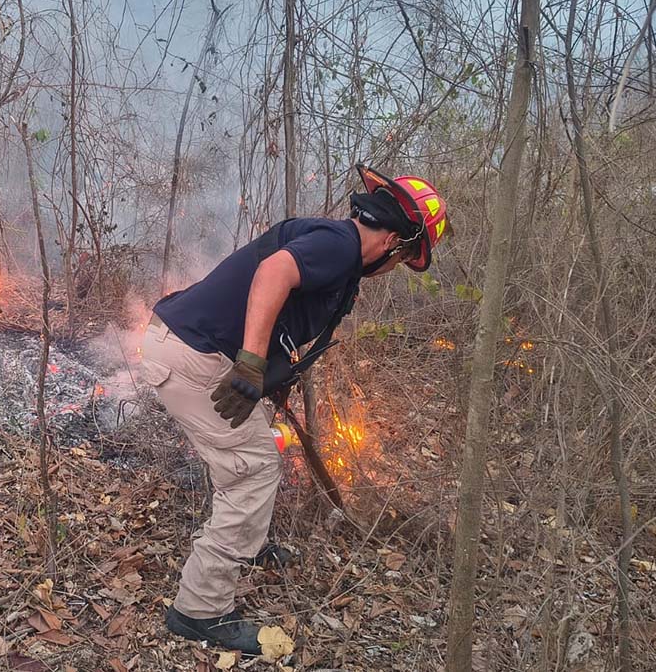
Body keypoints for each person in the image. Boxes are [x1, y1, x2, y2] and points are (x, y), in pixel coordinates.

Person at [140, 166, 449, 654]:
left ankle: (250, 540)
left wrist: (269, 374)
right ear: (393, 241)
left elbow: (286, 307)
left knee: (257, 452)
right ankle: (200, 610)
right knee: (254, 470)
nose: (399, 264)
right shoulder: (339, 245)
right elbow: (274, 273)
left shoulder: (335, 247)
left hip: (190, 348)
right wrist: (250, 363)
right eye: (408, 254)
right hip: (196, 358)